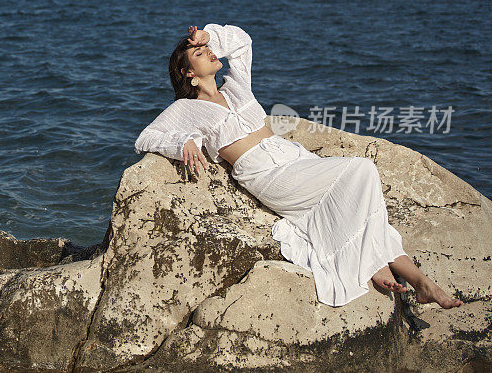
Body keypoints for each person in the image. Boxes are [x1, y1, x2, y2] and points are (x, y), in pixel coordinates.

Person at [134, 23, 463, 309]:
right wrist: (183, 143)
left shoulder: (236, 87)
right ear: (187, 73)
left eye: (208, 50)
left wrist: (209, 36)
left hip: (295, 159)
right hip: (267, 175)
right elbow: (147, 138)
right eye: (199, 53)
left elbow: (243, 43)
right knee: (362, 171)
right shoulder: (185, 109)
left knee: (360, 201)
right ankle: (388, 270)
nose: (209, 53)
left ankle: (419, 282)